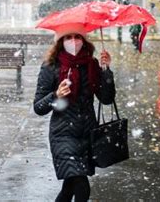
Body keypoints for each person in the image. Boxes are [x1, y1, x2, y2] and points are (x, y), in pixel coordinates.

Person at [33, 23, 116, 202]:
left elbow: (106, 98)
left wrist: (106, 71)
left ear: (84, 41)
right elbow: (38, 107)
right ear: (61, 41)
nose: (73, 41)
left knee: (68, 189)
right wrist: (55, 96)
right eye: (68, 37)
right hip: (62, 135)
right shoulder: (51, 66)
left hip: (87, 135)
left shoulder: (92, 64)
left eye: (77, 37)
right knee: (82, 187)